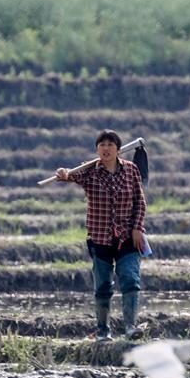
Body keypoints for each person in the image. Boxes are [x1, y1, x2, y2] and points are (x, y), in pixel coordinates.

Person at [56, 130, 147, 341]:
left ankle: (131, 327)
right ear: (97, 149)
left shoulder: (131, 170)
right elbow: (71, 175)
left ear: (118, 148)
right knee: (103, 286)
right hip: (100, 238)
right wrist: (64, 173)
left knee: (130, 279)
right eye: (101, 145)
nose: (105, 148)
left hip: (127, 237)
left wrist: (137, 228)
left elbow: (140, 202)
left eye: (110, 144)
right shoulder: (90, 172)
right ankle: (103, 331)